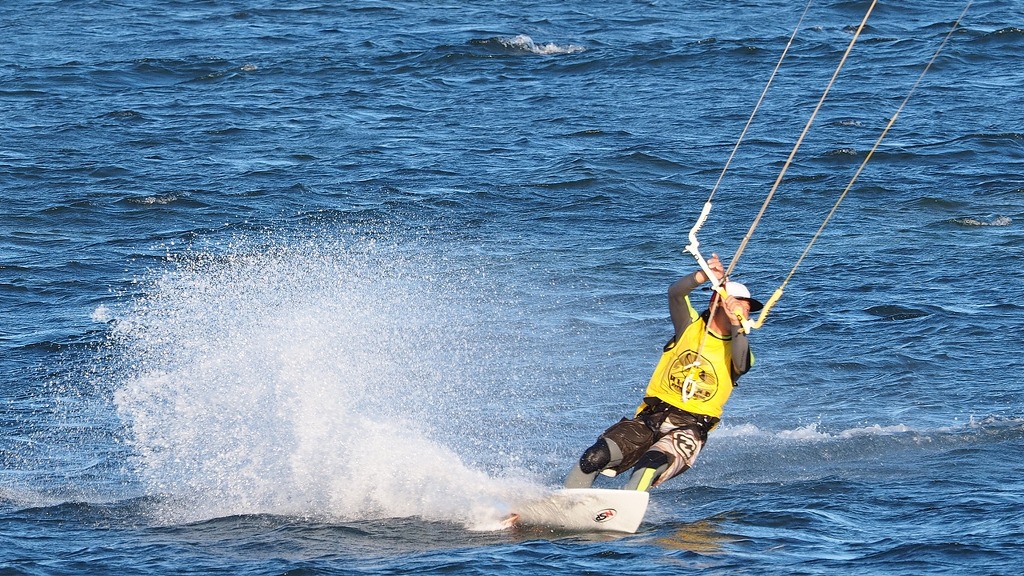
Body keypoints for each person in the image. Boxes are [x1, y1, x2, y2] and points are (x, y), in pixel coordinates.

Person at [564, 253, 763, 491]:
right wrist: (704, 275)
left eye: (747, 309)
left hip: (691, 427)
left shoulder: (741, 348)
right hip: (651, 417)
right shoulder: (689, 326)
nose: (743, 311)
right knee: (593, 457)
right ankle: (567, 501)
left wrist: (736, 323)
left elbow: (741, 364)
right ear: (714, 303)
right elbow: (675, 293)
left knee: (650, 464)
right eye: (736, 304)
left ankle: (626, 506)